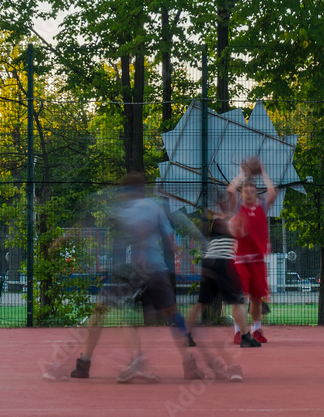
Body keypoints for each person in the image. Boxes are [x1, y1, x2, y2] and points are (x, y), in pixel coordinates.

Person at [43, 173, 206, 383]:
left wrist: (62, 238)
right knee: (173, 315)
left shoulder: (123, 208)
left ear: (128, 192)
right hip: (155, 268)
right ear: (141, 189)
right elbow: (171, 241)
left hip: (130, 270)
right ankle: (189, 364)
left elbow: (88, 225)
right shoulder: (154, 206)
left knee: (103, 312)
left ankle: (85, 364)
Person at [184, 189, 259, 377]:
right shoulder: (230, 219)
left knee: (201, 303)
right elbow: (241, 232)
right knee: (236, 302)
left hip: (209, 263)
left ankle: (186, 334)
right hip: (224, 262)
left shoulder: (218, 220)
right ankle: (245, 337)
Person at [228, 158, 276, 344]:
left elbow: (271, 192)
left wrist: (263, 172)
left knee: (257, 297)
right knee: (239, 298)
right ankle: (238, 331)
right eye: (245, 191)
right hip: (239, 259)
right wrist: (242, 174)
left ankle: (256, 329)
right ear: (242, 193)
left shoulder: (261, 207)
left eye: (251, 190)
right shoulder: (237, 207)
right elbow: (230, 190)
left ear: (255, 192)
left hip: (257, 259)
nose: (248, 193)